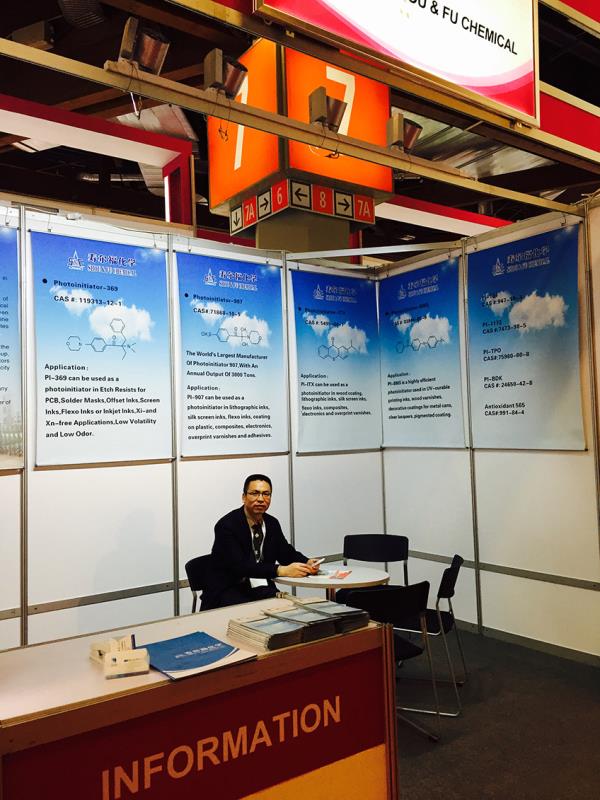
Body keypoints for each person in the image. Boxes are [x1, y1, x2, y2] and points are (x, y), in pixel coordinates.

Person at [202, 474, 320, 610]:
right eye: (254, 493)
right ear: (244, 497)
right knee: (260, 613)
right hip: (228, 589)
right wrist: (280, 570)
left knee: (292, 607)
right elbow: (240, 566)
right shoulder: (227, 525)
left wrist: (307, 562)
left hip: (260, 587)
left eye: (266, 494)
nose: (260, 499)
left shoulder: (271, 523)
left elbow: (285, 552)